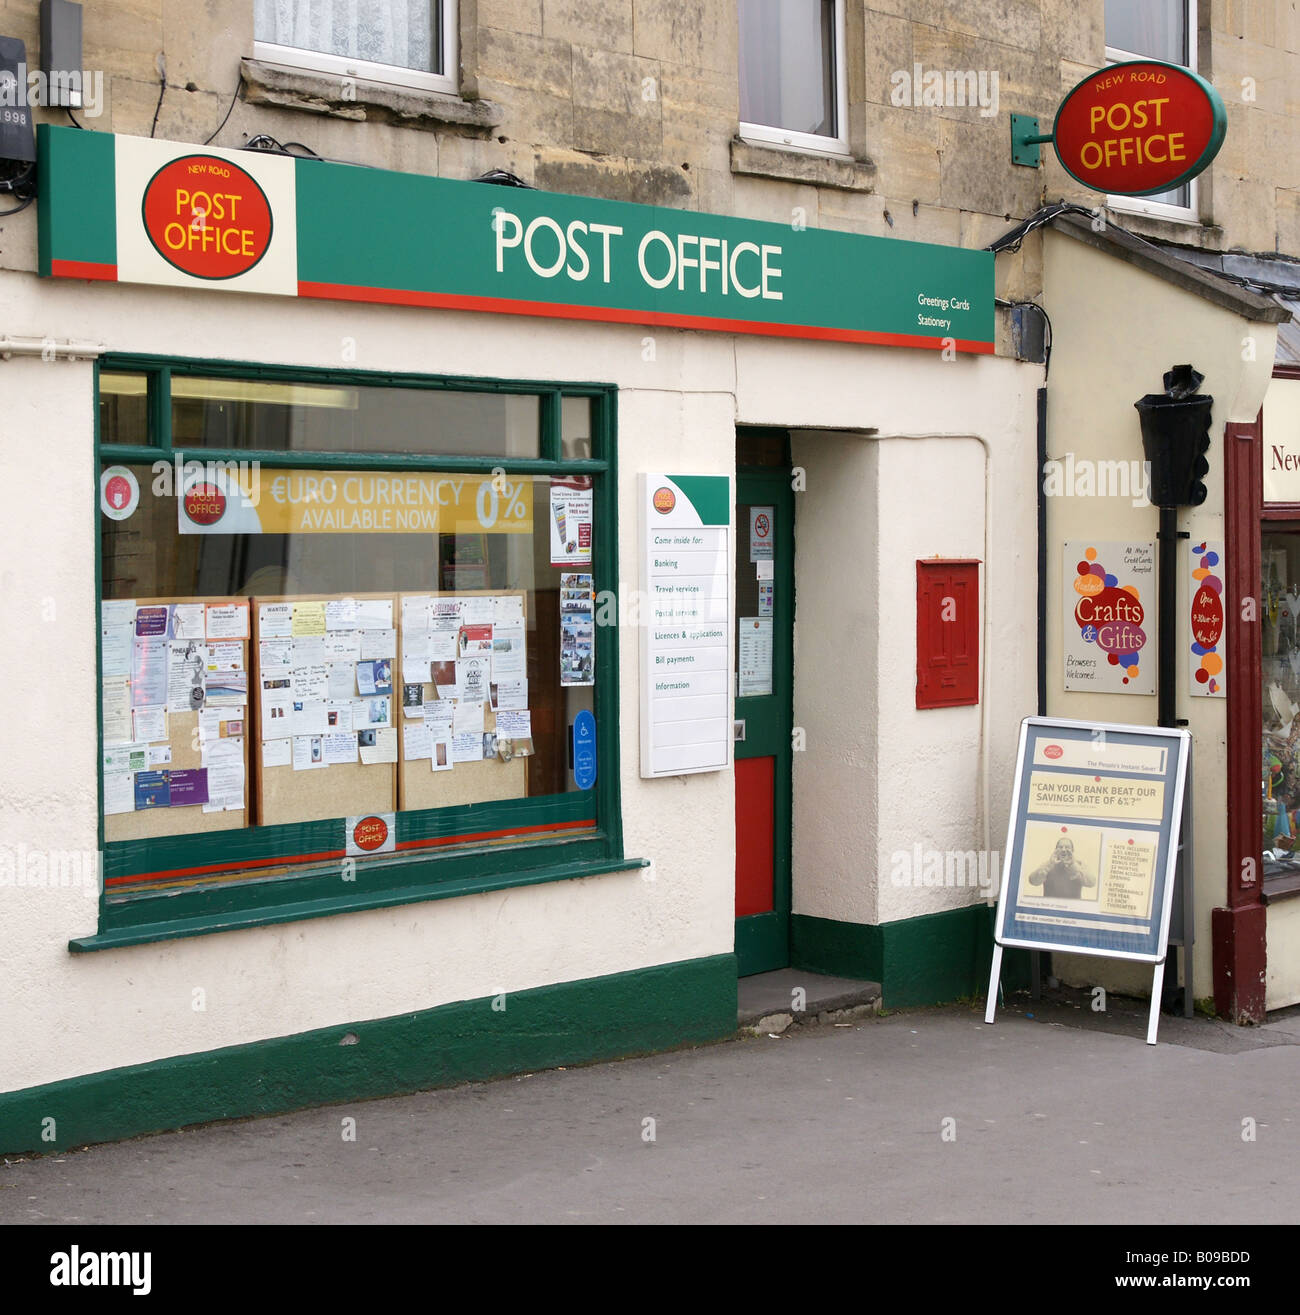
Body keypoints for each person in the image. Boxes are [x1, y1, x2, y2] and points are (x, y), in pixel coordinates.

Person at [1026, 837, 1096, 899]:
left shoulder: (1080, 864)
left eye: (1067, 847)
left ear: (1073, 850)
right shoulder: (1048, 864)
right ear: (1055, 850)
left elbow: (1092, 882)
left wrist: (1073, 865)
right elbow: (1033, 881)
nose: (1063, 850)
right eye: (1060, 847)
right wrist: (1049, 865)